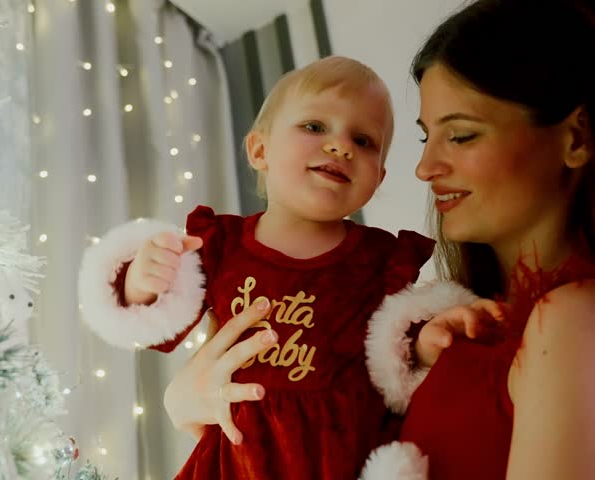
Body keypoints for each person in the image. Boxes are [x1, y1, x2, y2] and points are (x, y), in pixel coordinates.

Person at [162, 1, 595, 479]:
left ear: (575, 139)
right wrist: (184, 400)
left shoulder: (569, 317)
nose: (425, 168)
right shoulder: (458, 319)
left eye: (463, 135)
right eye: (426, 137)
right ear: (260, 149)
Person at [77, 56, 436, 479]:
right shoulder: (221, 244)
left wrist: (432, 338)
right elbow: (160, 324)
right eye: (315, 127)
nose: (341, 146)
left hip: (342, 453)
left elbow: (402, 348)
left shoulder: (380, 259)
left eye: (363, 140)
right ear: (260, 150)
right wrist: (142, 279)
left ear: (377, 179)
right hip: (235, 459)